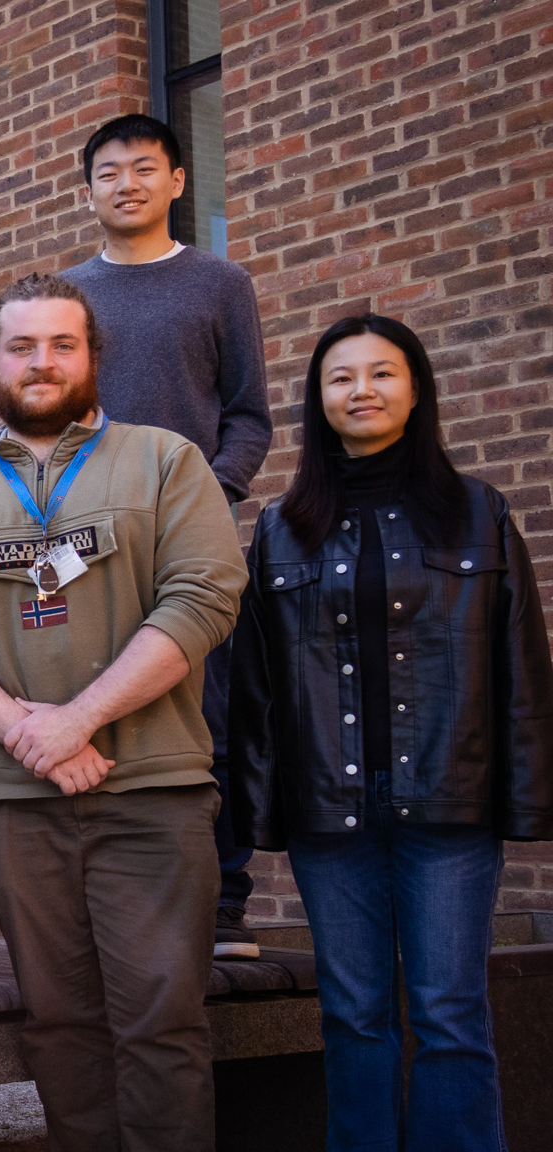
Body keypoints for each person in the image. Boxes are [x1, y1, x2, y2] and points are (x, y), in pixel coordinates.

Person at [0, 272, 246, 1151]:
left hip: (152, 796)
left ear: (93, 356)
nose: (41, 362)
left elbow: (203, 599)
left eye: (62, 344)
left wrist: (78, 719)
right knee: (58, 1027)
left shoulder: (165, 460)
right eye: (21, 346)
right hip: (14, 808)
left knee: (162, 1026)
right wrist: (35, 735)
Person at [230, 314, 552, 1152]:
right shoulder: (279, 528)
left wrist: (523, 800)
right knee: (354, 1016)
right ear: (319, 399)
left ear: (416, 389)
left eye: (381, 373)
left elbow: (520, 665)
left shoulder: (479, 511)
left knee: (450, 1013)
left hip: (449, 804)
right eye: (341, 377)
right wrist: (258, 814)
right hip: (329, 812)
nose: (361, 390)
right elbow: (256, 685)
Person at [61, 113, 273, 960]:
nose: (127, 184)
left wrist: (205, 498)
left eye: (144, 168)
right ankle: (106, 903)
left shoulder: (220, 284)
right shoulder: (69, 294)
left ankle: (221, 904)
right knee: (91, 707)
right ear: (89, 191)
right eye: (108, 172)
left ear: (179, 180)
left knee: (207, 715)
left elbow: (250, 417)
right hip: (82, 538)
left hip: (191, 536)